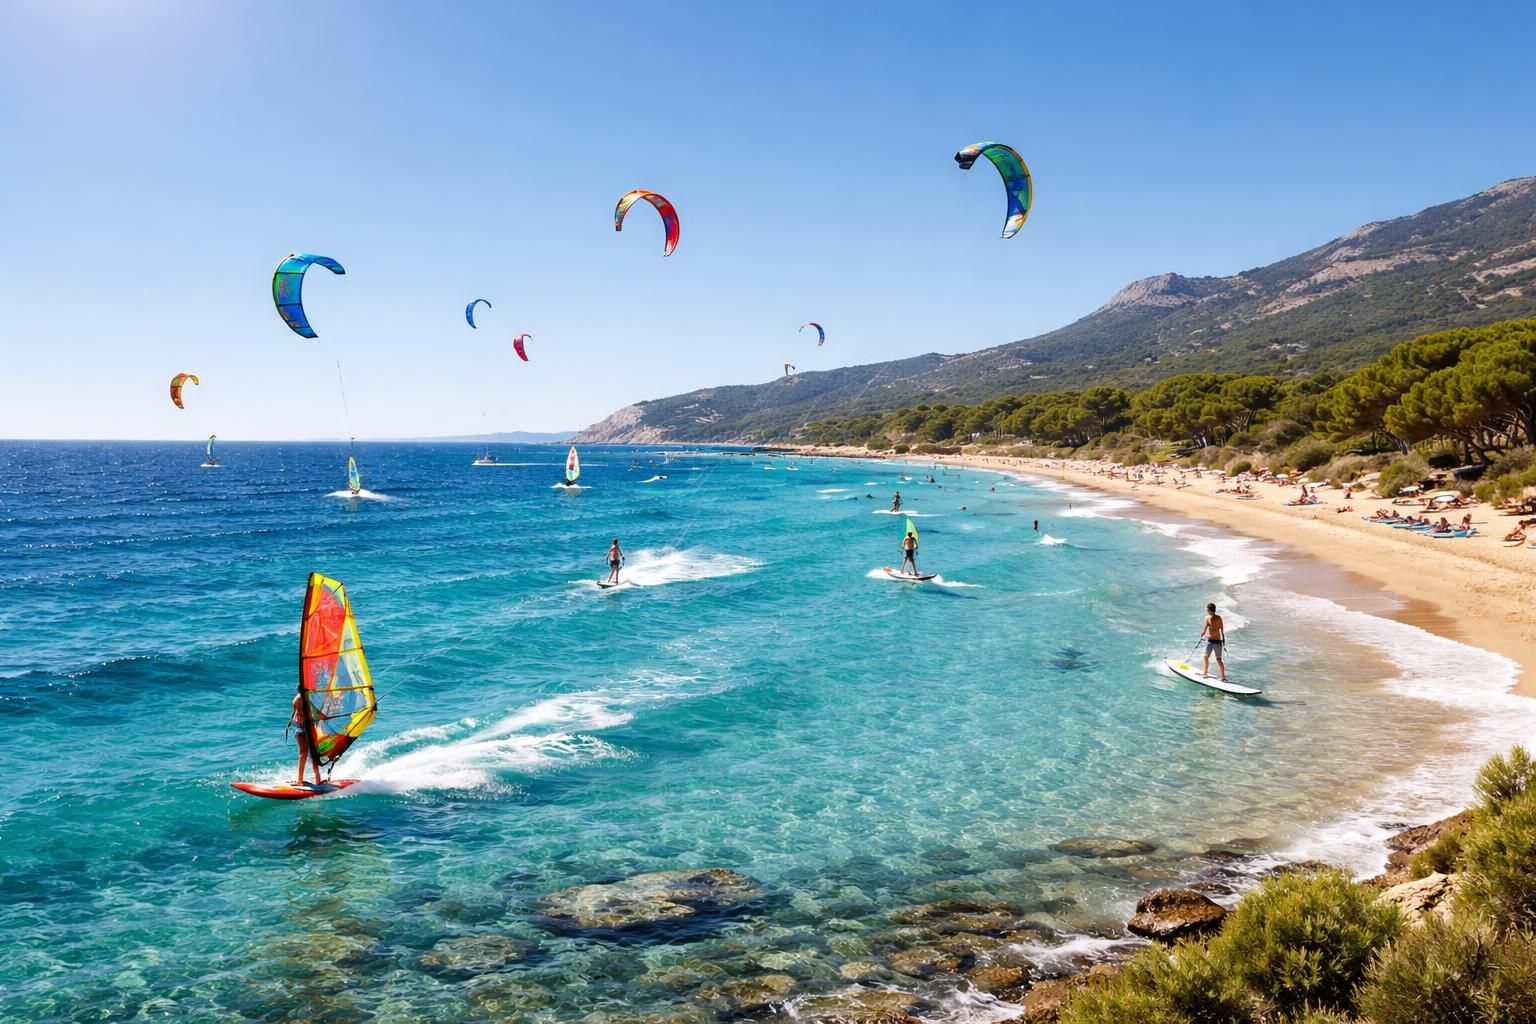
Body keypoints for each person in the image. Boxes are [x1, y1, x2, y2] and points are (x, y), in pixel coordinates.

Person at [290, 690, 323, 786]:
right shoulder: (306, 698)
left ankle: (300, 780)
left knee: (303, 754)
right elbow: (316, 713)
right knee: (312, 754)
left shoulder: (297, 698)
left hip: (299, 726)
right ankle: (317, 779)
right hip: (307, 727)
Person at [1200, 603, 1227, 681]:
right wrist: (1203, 633)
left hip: (1217, 641)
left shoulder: (1218, 618)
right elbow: (1204, 629)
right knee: (1205, 656)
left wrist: (1223, 641)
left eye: (1208, 610)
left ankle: (1222, 677)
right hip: (1210, 641)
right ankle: (1205, 673)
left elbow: (1222, 630)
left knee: (1218, 659)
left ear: (1210, 610)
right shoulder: (1208, 618)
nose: (1207, 611)